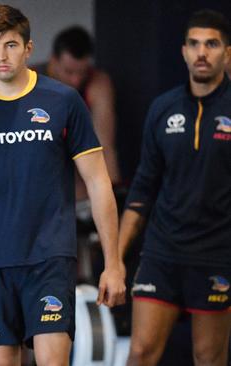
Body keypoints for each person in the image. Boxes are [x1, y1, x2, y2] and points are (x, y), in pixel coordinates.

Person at [0, 5, 126, 366]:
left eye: (11, 45)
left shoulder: (62, 101)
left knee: (52, 361)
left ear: (28, 49)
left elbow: (98, 182)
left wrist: (114, 262)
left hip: (50, 259)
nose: (1, 56)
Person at [119, 9, 231, 366]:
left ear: (227, 53)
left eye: (212, 44)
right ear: (183, 51)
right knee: (140, 352)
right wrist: (115, 259)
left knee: (208, 357)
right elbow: (142, 188)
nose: (202, 53)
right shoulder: (163, 108)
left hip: (217, 254)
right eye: (195, 44)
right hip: (162, 251)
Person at [35, 25, 121, 203]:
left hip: (80, 174)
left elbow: (104, 144)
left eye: (81, 72)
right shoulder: (31, 81)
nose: (75, 80)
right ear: (53, 61)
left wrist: (113, 198)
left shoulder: (98, 82)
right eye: (69, 72)